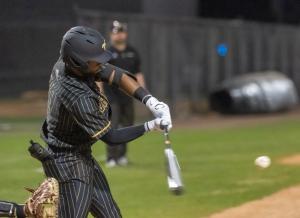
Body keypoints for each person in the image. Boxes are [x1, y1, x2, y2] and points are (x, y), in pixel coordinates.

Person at [39, 26, 172, 218]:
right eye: (96, 60)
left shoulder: (68, 64)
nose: (102, 64)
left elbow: (116, 75)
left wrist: (151, 101)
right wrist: (151, 125)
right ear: (78, 62)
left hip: (81, 154)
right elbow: (111, 136)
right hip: (66, 162)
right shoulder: (77, 96)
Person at [103, 20, 146, 167]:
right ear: (111, 34)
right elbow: (98, 75)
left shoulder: (133, 52)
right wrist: (99, 93)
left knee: (128, 125)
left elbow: (138, 73)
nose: (119, 35)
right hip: (111, 96)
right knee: (112, 126)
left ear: (125, 33)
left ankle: (122, 156)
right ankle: (111, 158)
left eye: (121, 32)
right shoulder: (106, 53)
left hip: (128, 95)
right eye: (116, 32)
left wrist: (143, 94)